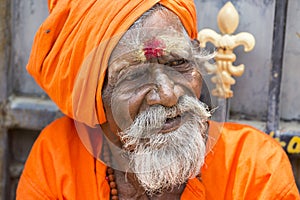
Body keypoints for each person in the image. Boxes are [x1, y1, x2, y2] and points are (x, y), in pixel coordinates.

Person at [17, 0, 299, 199]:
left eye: (178, 63)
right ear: (96, 94)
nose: (168, 94)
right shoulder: (57, 159)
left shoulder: (256, 169)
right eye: (134, 75)